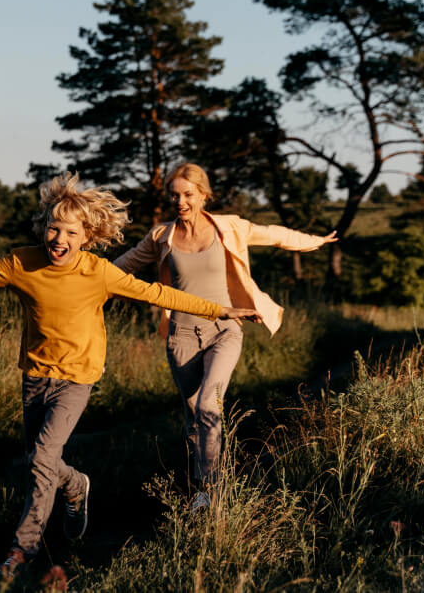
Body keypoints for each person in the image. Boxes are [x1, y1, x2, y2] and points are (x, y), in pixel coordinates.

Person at [0, 172, 259, 573]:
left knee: (42, 457)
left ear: (86, 238)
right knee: (37, 460)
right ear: (44, 228)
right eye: (53, 228)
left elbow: (158, 293)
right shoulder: (20, 263)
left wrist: (221, 309)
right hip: (35, 376)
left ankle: (20, 552)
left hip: (78, 378)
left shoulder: (99, 272)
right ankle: (76, 486)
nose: (59, 239)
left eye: (70, 233)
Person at [113, 163, 336, 512]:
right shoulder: (161, 237)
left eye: (188, 194)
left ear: (204, 195)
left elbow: (273, 234)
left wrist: (315, 241)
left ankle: (211, 490)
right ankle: (199, 487)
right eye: (175, 195)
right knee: (193, 418)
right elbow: (120, 267)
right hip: (181, 335)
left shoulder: (228, 227)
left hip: (225, 329)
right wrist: (82, 280)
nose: (181, 201)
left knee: (207, 405)